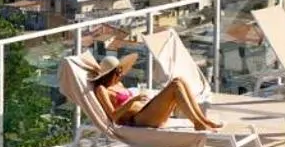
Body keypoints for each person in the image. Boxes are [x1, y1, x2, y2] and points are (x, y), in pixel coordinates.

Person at [82, 52, 222, 131]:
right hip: (139, 119)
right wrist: (133, 100)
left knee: (179, 80)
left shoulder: (118, 84)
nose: (121, 74)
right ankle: (198, 123)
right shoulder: (102, 90)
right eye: (118, 72)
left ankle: (203, 120)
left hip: (147, 111)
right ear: (109, 74)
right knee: (175, 85)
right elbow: (113, 116)